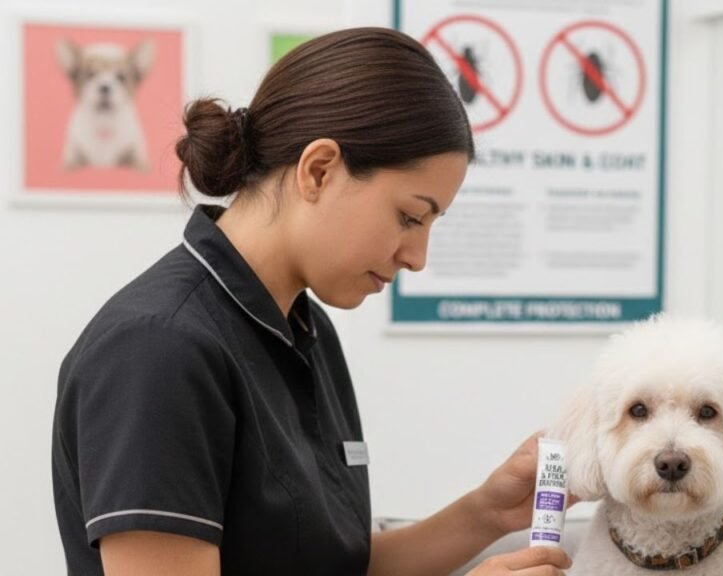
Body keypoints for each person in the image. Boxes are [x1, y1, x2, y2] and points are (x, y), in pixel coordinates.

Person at [52, 27, 573, 576]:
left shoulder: (304, 329)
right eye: (409, 217)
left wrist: (487, 512)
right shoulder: (159, 348)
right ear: (318, 170)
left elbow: (337, 565)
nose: (417, 257)